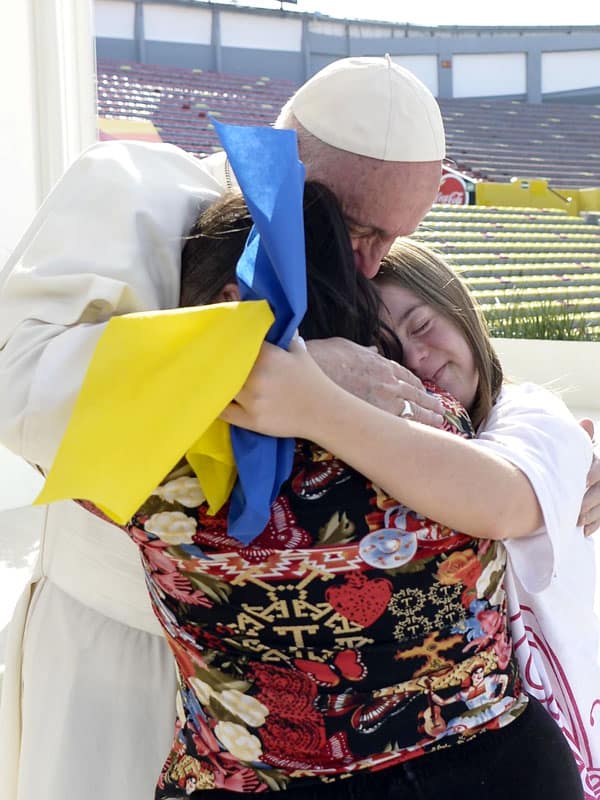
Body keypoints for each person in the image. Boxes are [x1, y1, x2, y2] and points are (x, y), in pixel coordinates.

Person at [0, 55, 598, 799]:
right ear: (295, 158)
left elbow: (446, 398)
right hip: (126, 649)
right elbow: (19, 381)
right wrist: (279, 364)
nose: (375, 261)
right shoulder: (134, 187)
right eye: (359, 230)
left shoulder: (351, 271)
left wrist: (564, 446)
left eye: (400, 236)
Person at [90, 193, 589, 799]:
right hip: (489, 768)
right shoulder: (440, 427)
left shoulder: (145, 472)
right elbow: (506, 487)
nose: (416, 357)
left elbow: (38, 407)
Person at [222, 238, 599, 797]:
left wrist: (311, 402)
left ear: (461, 310)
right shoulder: (376, 457)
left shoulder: (529, 412)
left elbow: (501, 501)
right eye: (383, 349)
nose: (417, 359)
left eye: (424, 325)